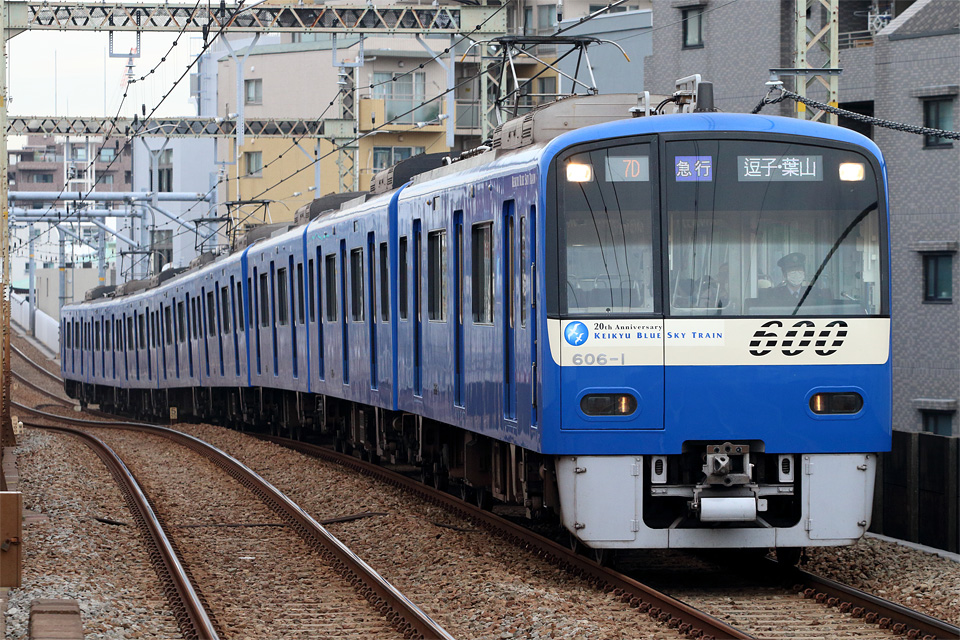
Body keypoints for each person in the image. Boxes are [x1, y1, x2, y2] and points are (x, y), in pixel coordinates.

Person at [759, 252, 830, 307]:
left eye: (799, 268)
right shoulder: (774, 295)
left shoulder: (814, 293)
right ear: (784, 274)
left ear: (804, 272)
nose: (796, 272)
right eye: (792, 269)